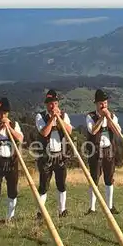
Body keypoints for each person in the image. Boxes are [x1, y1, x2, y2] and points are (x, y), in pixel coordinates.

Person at [35, 89, 73, 219]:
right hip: (46, 157)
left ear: (58, 104)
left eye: (55, 103)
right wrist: (52, 119)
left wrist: (59, 119)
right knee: (44, 185)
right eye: (50, 104)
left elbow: (69, 131)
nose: (53, 106)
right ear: (46, 105)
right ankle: (41, 212)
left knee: (61, 184)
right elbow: (44, 133)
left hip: (60, 156)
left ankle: (62, 210)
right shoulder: (40, 117)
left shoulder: (64, 116)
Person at [85, 89, 121, 215]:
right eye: (101, 103)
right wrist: (101, 118)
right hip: (95, 151)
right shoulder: (90, 117)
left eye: (105, 103)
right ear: (96, 104)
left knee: (109, 178)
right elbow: (93, 131)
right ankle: (92, 208)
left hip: (109, 150)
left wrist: (109, 119)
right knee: (94, 179)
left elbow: (118, 132)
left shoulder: (112, 116)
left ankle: (110, 206)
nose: (103, 106)